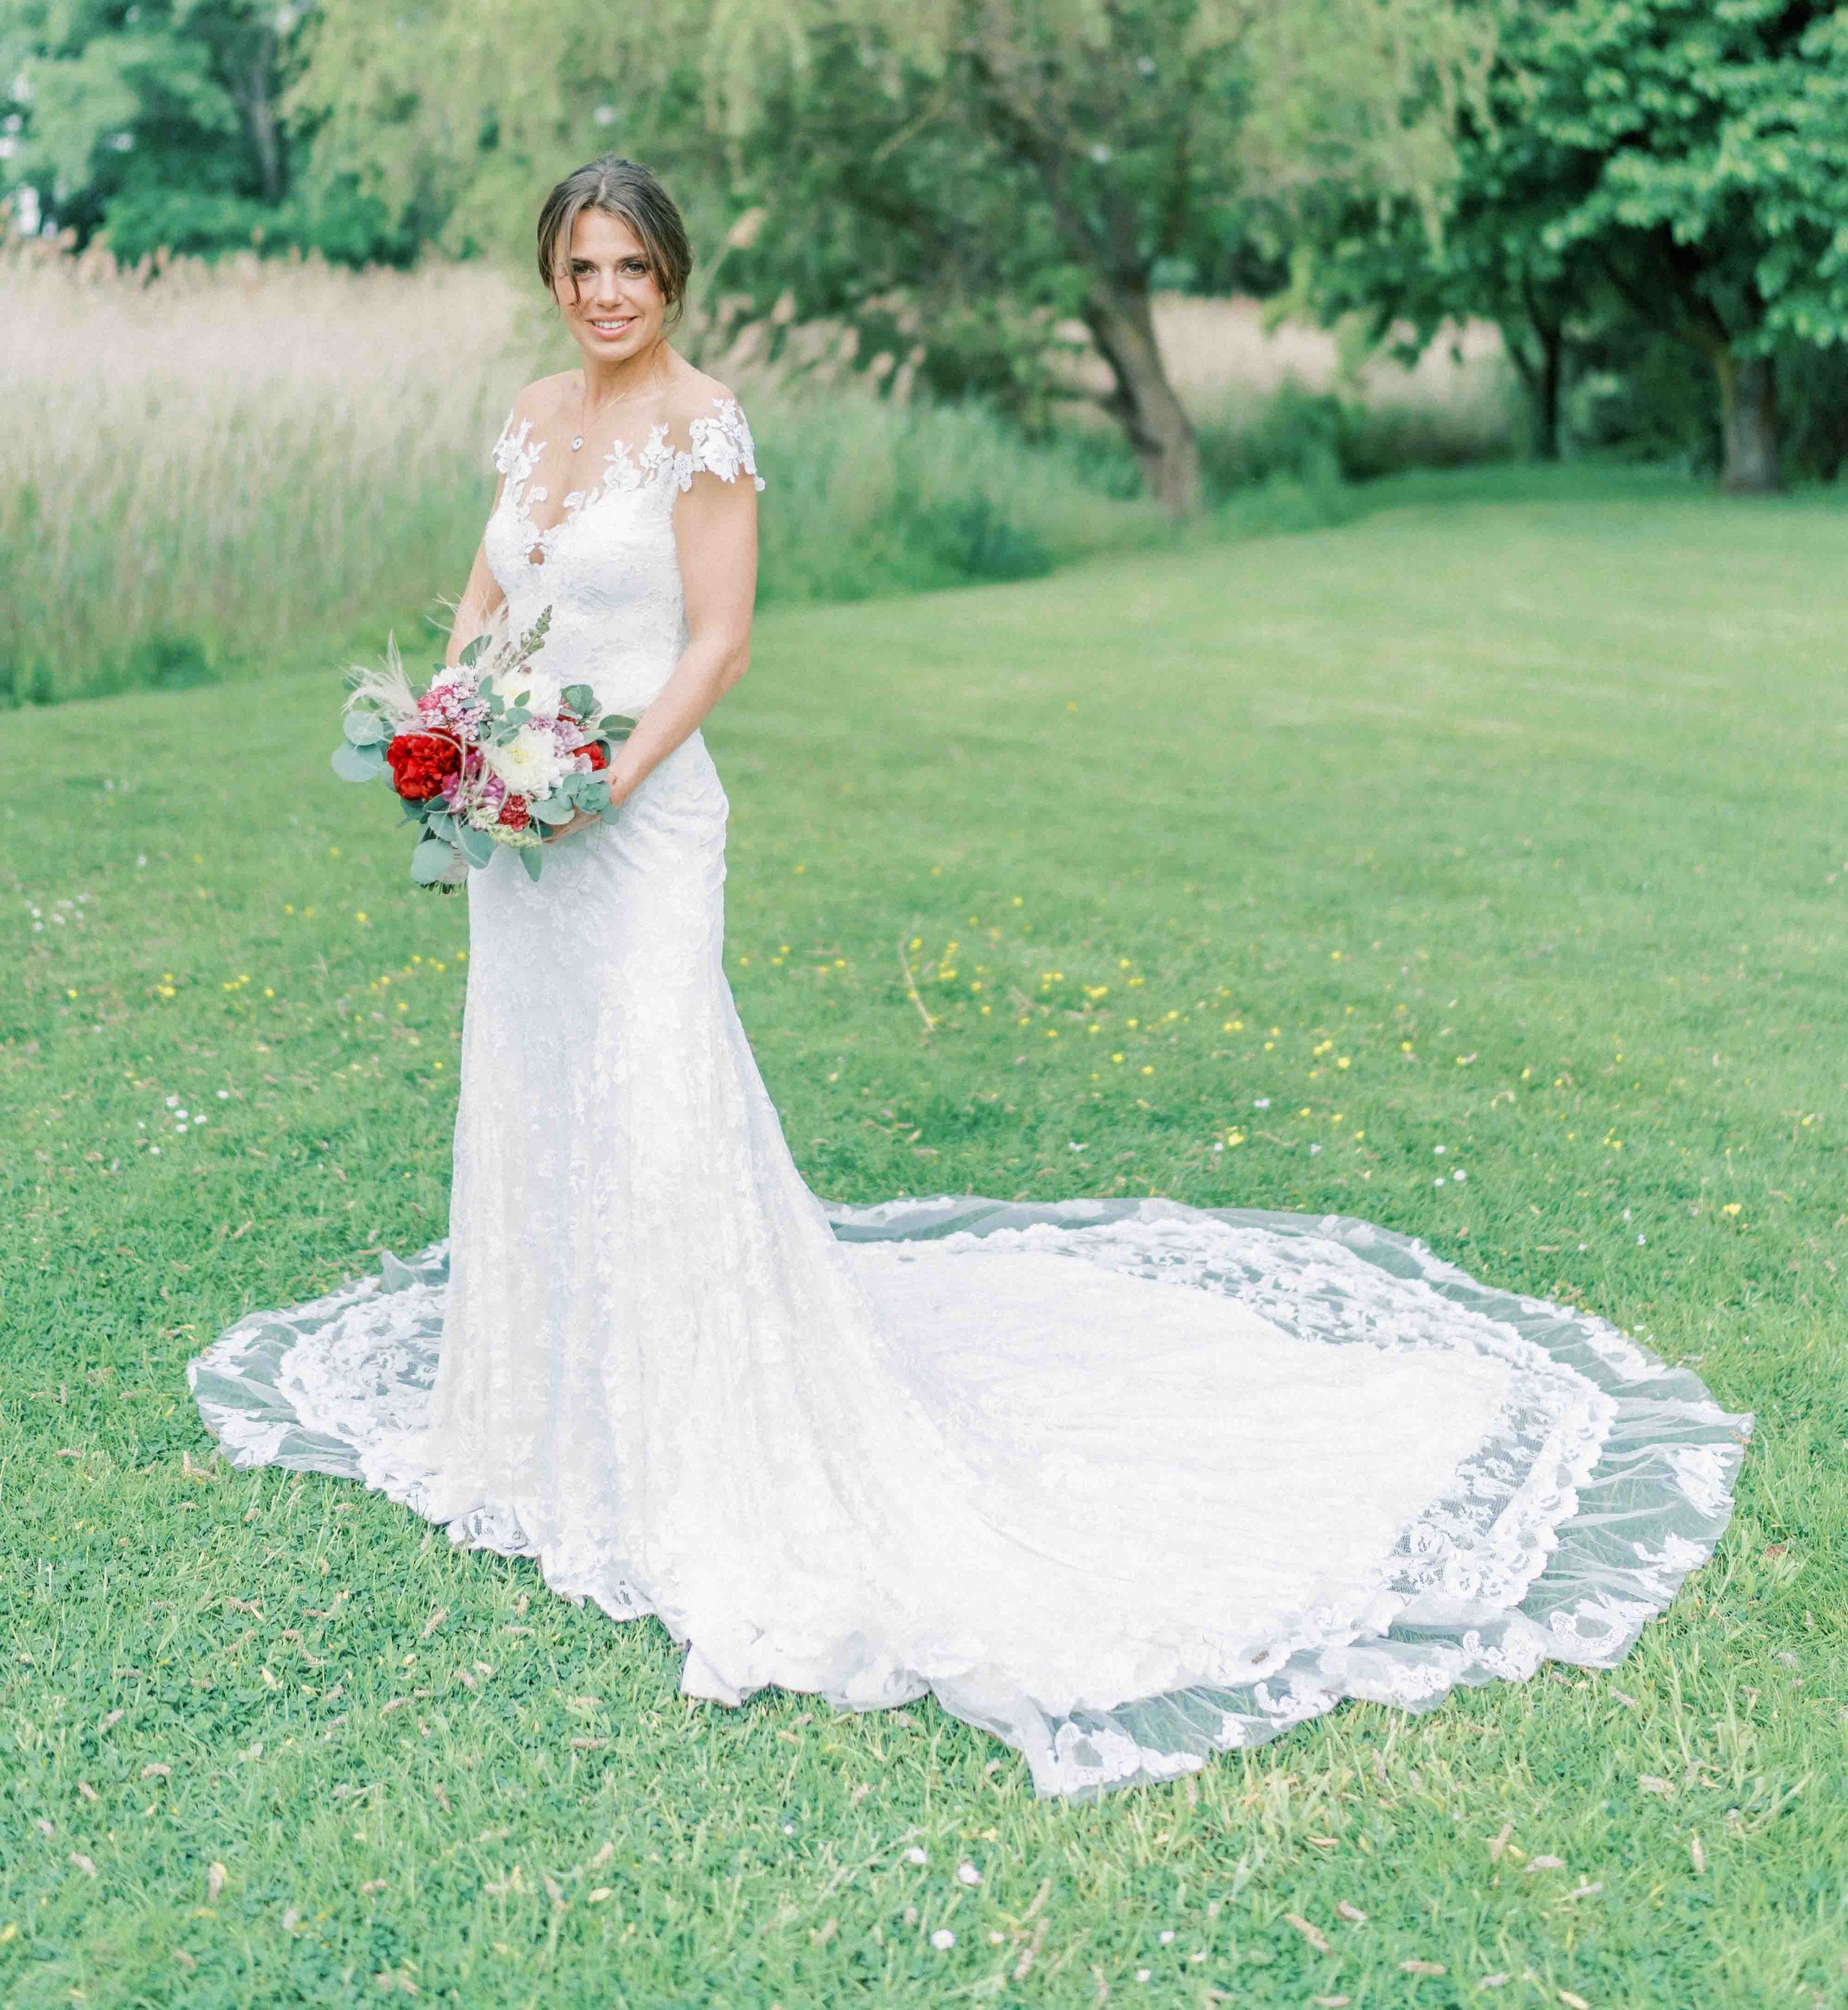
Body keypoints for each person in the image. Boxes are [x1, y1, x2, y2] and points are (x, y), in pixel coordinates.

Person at [193, 158, 1748, 1798]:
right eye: (580, 266)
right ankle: (547, 1415)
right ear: (551, 276)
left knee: (658, 1096)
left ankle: (697, 1452)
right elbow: (496, 585)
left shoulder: (705, 428)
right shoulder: (525, 413)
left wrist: (612, 782)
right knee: (536, 1086)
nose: (604, 294)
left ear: (675, 278)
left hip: (638, 822)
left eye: (632, 266)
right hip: (521, 823)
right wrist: (453, 727)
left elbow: (716, 640)